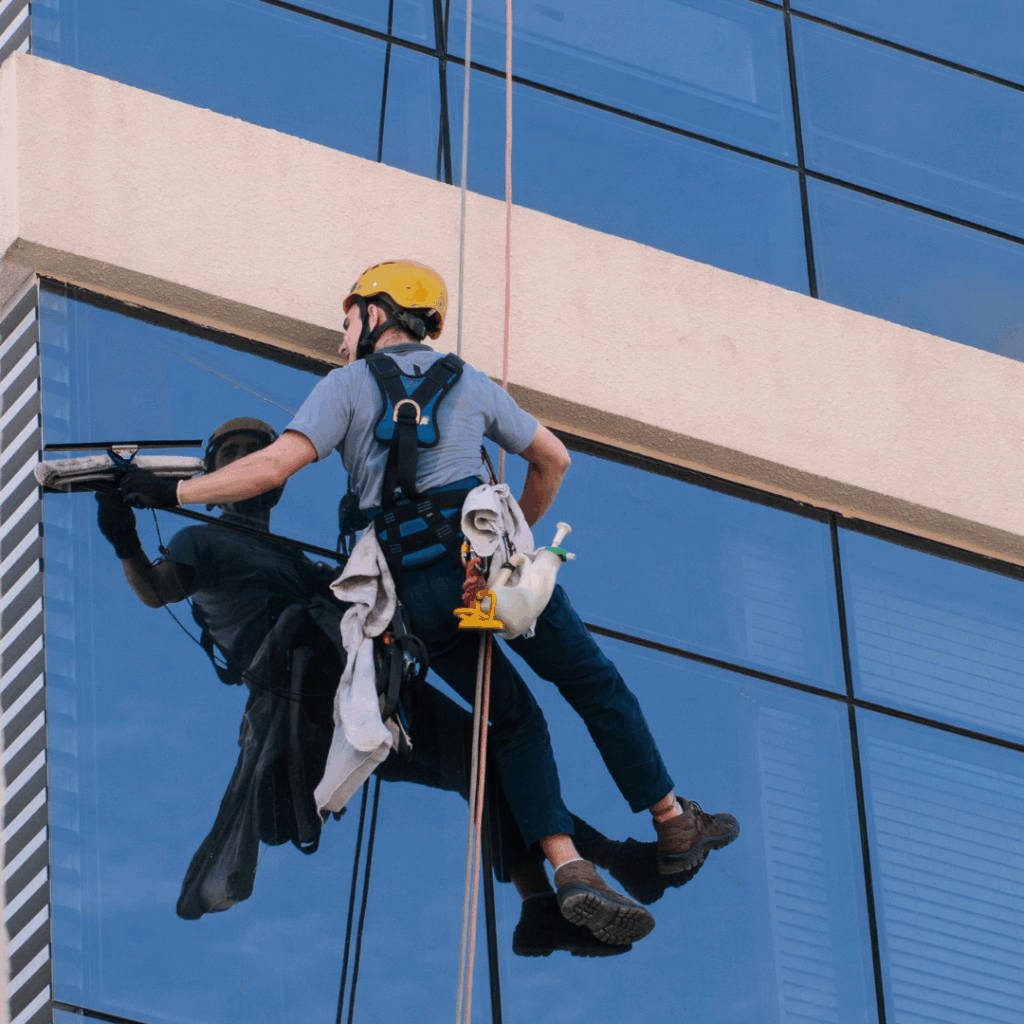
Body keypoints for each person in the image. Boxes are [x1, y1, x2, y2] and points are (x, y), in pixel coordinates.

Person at [118, 262, 739, 948]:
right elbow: (554, 461)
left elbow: (274, 467)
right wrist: (512, 550)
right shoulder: (470, 383)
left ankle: (569, 868)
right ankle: (670, 820)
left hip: (413, 597)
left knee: (510, 725)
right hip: (484, 570)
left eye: (348, 318)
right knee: (593, 684)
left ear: (379, 313)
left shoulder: (344, 389)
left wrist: (166, 492)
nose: (341, 335)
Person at [99, 417, 688, 955]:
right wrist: (126, 540)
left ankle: (541, 900)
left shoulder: (293, 554)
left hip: (358, 685)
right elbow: (158, 589)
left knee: (483, 758)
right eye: (233, 455)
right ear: (215, 475)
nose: (246, 461)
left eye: (256, 453)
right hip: (312, 700)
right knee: (491, 749)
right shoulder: (201, 540)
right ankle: (596, 865)